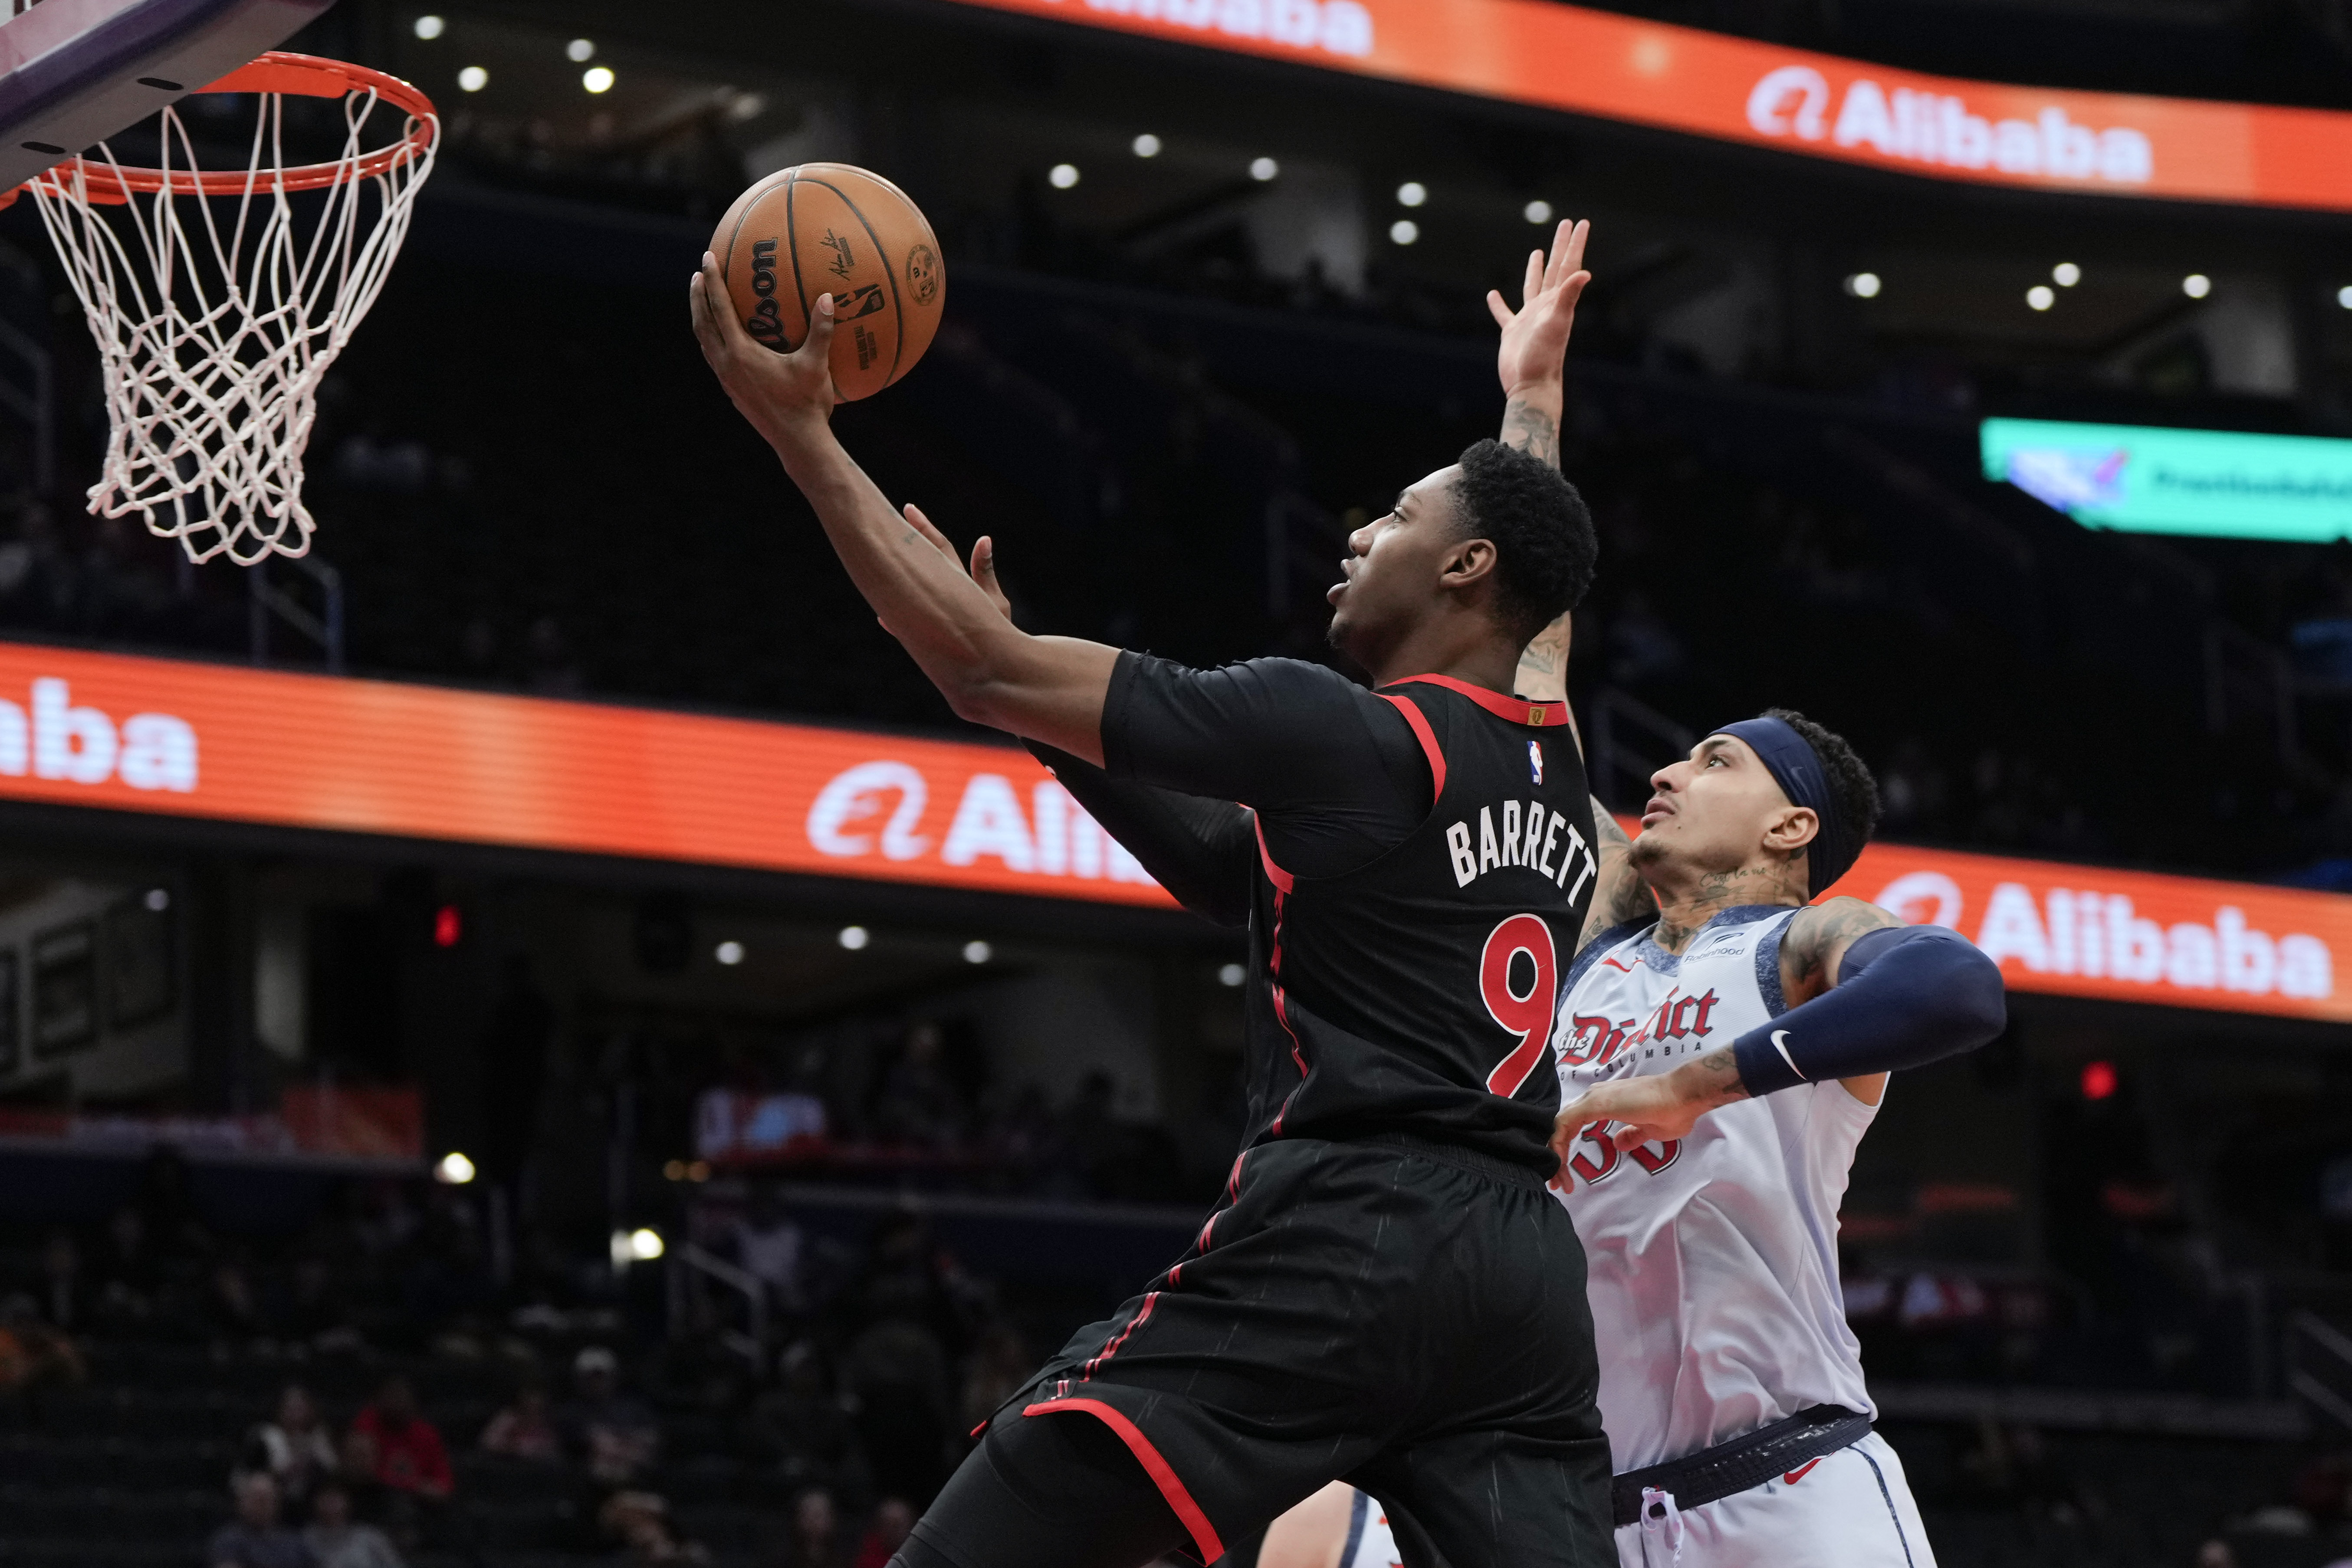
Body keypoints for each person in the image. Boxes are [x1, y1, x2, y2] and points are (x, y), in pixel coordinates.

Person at [695, 217, 1613, 1568]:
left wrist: (800, 435)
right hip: (1525, 1281)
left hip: (1354, 1234)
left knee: (999, 1518)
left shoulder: (1349, 732)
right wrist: (1529, 397)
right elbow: (1220, 860)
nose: (1358, 534)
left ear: (1468, 570)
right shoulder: (1550, 747)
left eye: (1400, 518)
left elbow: (978, 667)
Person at [347, 1377, 453, 1503]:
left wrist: (409, 1484)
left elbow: (444, 1488)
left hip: (415, 1502)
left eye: (401, 1398)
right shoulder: (368, 1420)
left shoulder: (426, 1434)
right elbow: (357, 1468)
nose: (396, 1403)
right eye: (391, 1396)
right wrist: (395, 1479)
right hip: (369, 1494)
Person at [243, 1384, 342, 1514]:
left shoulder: (319, 1437)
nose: (295, 1414)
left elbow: (333, 1469)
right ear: (280, 1410)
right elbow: (262, 1474)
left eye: (300, 1408)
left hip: (312, 1504)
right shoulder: (269, 1436)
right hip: (278, 1504)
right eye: (290, 1408)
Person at [209, 1473, 315, 1568]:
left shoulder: (295, 1543)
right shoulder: (228, 1541)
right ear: (241, 1503)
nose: (262, 1506)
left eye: (268, 1500)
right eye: (257, 1500)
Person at [302, 1482, 404, 1568]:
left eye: (336, 1497)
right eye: (325, 1497)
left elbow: (394, 1564)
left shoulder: (369, 1536)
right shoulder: (305, 1539)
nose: (331, 1503)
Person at [480, 1382, 563, 1463]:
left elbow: (552, 1452)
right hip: (505, 1467)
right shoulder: (507, 1419)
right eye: (529, 1408)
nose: (534, 1413)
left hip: (536, 1471)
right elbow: (489, 1443)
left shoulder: (546, 1425)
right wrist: (514, 1448)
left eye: (539, 1410)